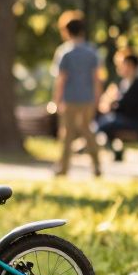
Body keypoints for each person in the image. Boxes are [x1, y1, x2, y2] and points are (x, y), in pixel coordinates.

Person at [52, 11, 101, 177]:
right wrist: (97, 98)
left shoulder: (65, 52)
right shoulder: (91, 51)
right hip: (87, 99)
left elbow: (61, 79)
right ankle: (96, 166)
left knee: (67, 133)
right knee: (88, 131)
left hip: (70, 99)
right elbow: (96, 78)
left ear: (66, 31)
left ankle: (63, 168)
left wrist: (56, 100)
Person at [96, 49, 138, 151]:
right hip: (125, 119)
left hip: (136, 122)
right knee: (101, 119)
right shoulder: (122, 83)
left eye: (121, 65)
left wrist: (115, 104)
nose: (119, 68)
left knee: (105, 123)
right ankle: (105, 145)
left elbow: (137, 107)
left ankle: (96, 143)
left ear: (130, 65)